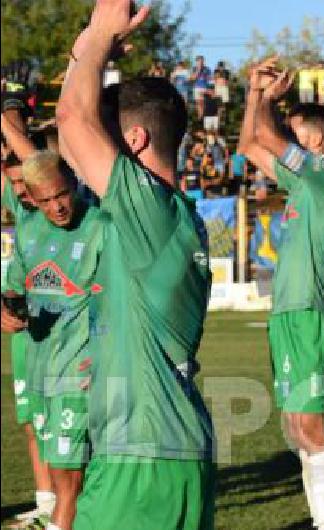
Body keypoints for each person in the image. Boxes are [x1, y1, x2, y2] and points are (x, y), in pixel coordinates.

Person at [57, 2, 215, 528]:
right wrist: (87, 55)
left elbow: (72, 123)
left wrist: (101, 32)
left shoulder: (148, 204)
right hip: (165, 454)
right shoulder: (169, 216)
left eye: (110, 142)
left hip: (141, 462)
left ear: (136, 142)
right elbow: (73, 142)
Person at [237, 57, 324, 530]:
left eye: (295, 130)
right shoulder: (305, 183)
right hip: (288, 309)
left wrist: (267, 99)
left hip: (308, 308)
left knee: (310, 423)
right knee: (294, 424)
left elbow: (265, 136)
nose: (286, 135)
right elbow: (249, 143)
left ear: (316, 140)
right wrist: (252, 95)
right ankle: (317, 519)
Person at [4, 151, 105, 530]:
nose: (57, 207)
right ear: (29, 198)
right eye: (45, 200)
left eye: (62, 194)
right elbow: (15, 289)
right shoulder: (29, 230)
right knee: (64, 475)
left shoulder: (100, 226)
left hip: (80, 368)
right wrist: (9, 309)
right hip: (40, 364)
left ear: (74, 184)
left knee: (70, 478)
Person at [0, 111, 56, 527]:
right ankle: (45, 503)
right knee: (32, 420)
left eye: (25, 184)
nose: (19, 191)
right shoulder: (22, 216)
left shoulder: (61, 212)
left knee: (63, 421)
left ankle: (68, 504)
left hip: (65, 336)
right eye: (14, 184)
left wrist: (8, 113)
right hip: (25, 335)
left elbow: (29, 156)